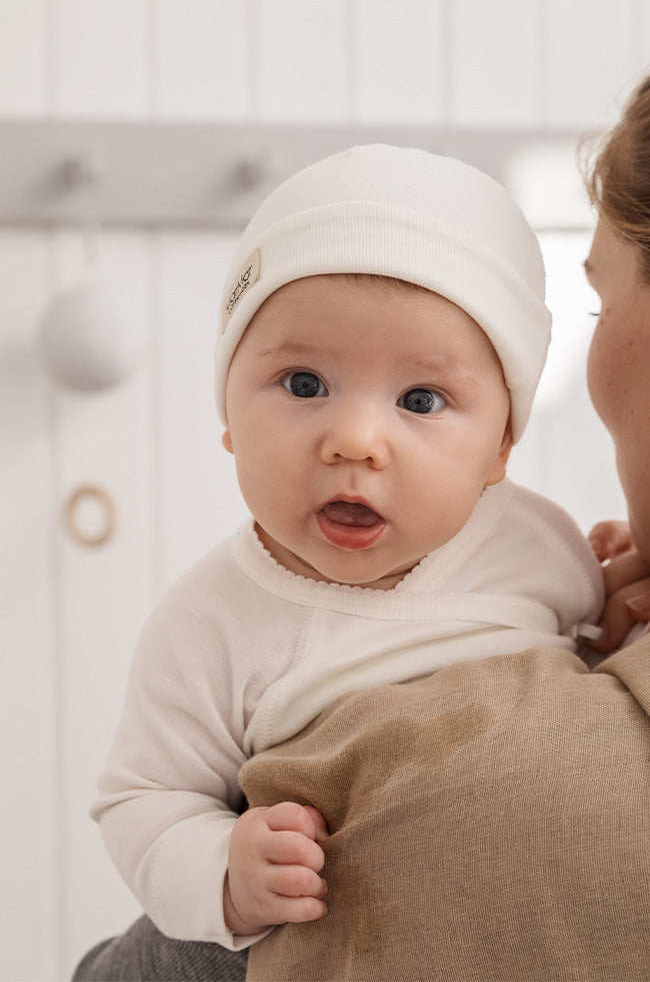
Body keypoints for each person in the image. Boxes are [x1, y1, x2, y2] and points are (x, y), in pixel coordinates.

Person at [75, 144, 605, 980]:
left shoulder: (539, 544)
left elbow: (593, 665)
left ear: (500, 445)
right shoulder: (211, 621)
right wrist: (224, 870)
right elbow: (143, 801)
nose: (355, 439)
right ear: (227, 414)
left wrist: (620, 594)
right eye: (303, 383)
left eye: (421, 401)